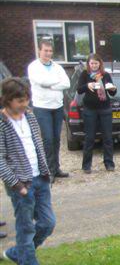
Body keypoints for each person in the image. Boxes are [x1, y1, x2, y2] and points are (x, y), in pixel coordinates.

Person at [0, 78, 56, 265]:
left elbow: (38, 146)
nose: (24, 104)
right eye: (20, 101)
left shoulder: (30, 117)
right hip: (21, 185)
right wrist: (17, 185)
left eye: (26, 100)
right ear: (7, 100)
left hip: (40, 178)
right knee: (25, 229)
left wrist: (46, 172)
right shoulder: (2, 123)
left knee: (48, 223)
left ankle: (17, 253)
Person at [28, 40, 70, 181]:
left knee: (56, 139)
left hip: (57, 107)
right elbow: (41, 82)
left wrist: (51, 85)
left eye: (50, 51)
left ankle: (56, 168)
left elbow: (66, 83)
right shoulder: (34, 67)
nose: (48, 53)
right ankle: (48, 171)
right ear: (39, 51)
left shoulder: (57, 67)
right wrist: (55, 82)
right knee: (47, 139)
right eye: (45, 50)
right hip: (42, 108)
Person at [77, 54, 117, 173]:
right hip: (90, 109)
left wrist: (113, 89)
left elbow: (113, 93)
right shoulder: (85, 75)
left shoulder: (105, 75)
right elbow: (79, 90)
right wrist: (87, 85)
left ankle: (109, 163)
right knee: (89, 138)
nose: (94, 65)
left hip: (105, 108)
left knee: (108, 138)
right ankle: (86, 166)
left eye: (96, 63)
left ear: (100, 63)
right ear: (88, 64)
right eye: (92, 63)